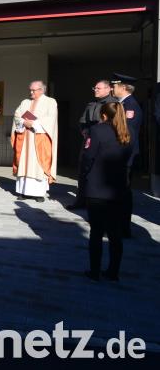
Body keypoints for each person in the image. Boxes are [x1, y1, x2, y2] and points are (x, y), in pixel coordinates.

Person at [83, 102, 131, 282]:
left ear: (103, 115)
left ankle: (94, 271)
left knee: (96, 232)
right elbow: (130, 157)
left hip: (97, 188)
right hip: (118, 189)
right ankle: (113, 272)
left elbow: (88, 156)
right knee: (115, 234)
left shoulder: (97, 130)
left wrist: (87, 174)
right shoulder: (127, 132)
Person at [69, 80, 117, 209]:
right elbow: (83, 122)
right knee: (83, 169)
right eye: (94, 88)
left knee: (99, 171)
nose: (95, 90)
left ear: (108, 89)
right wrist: (84, 131)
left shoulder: (114, 104)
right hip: (89, 140)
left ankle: (98, 201)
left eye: (98, 88)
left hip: (104, 142)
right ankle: (81, 200)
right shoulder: (91, 104)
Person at [11, 80, 58, 203]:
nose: (31, 92)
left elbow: (51, 118)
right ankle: (23, 192)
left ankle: (39, 193)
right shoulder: (25, 102)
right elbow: (17, 115)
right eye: (30, 90)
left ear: (41, 90)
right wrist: (23, 122)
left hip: (40, 139)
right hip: (25, 139)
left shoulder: (50, 102)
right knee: (24, 164)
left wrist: (34, 123)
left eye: (33, 90)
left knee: (38, 165)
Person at [111, 73, 143, 238]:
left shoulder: (130, 106)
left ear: (123, 87)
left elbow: (126, 136)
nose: (113, 88)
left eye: (115, 85)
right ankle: (117, 225)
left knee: (122, 193)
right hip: (120, 157)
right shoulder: (122, 104)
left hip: (123, 157)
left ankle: (122, 228)